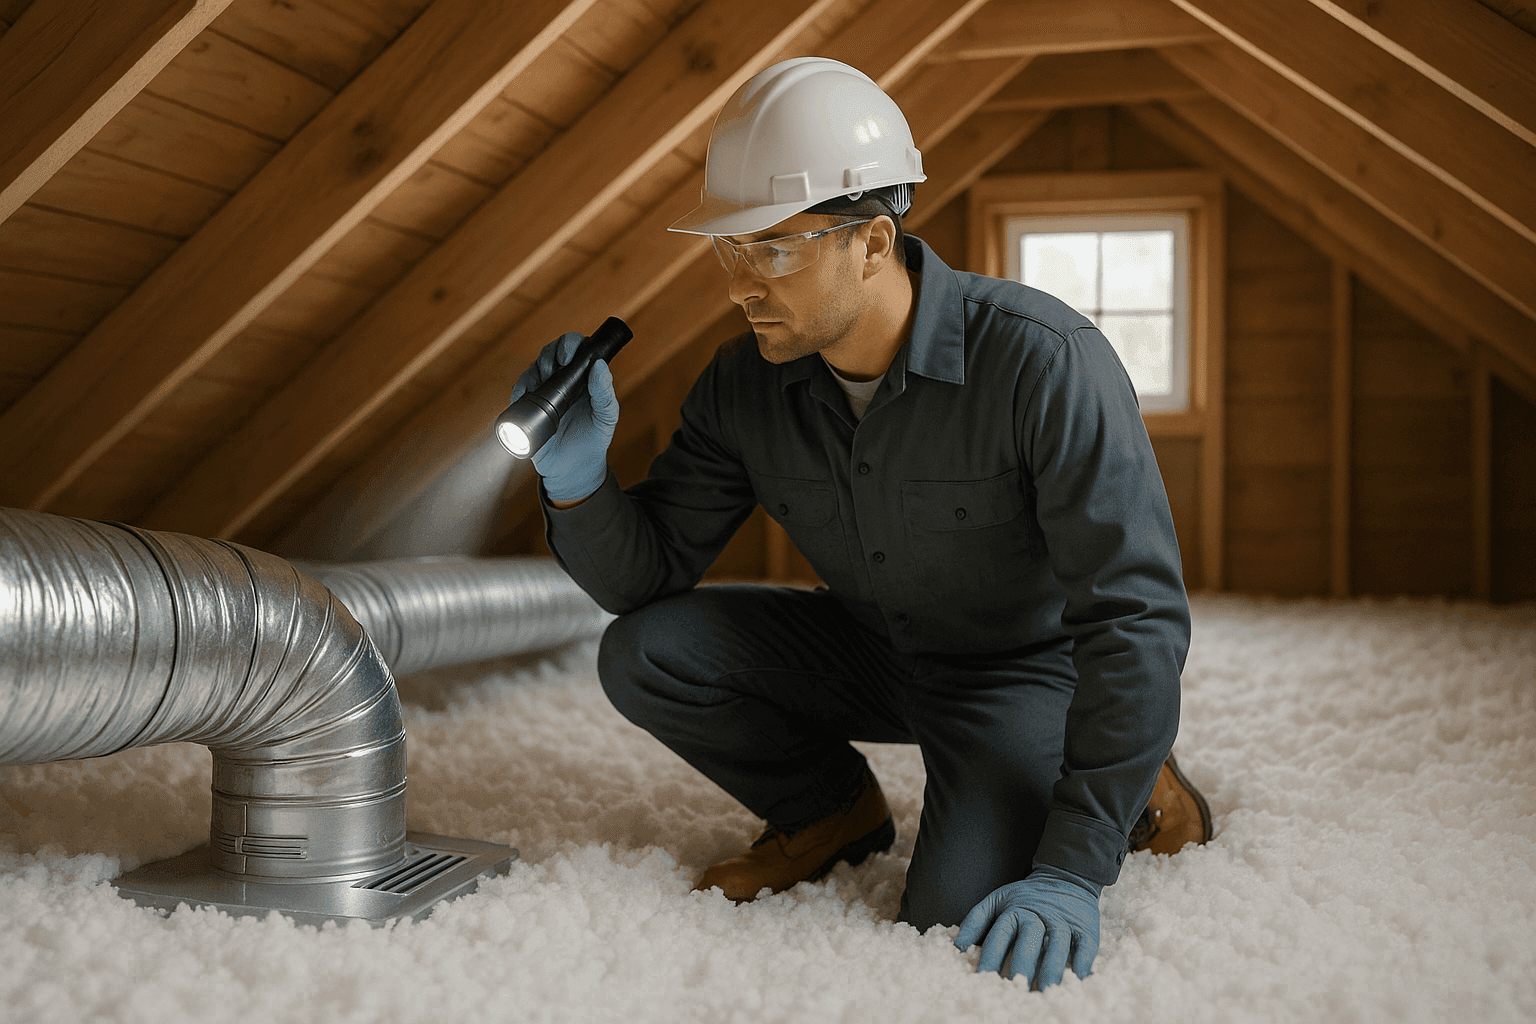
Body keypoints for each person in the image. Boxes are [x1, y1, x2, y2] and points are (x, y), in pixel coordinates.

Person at [511, 57, 1212, 989]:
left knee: (949, 926)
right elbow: (646, 579)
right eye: (729, 250)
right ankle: (830, 810)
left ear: (873, 242)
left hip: (1026, 670)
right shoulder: (743, 383)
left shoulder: (1045, 363)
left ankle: (1139, 789)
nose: (740, 284)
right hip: (876, 647)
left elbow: (1137, 618)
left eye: (772, 248)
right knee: (645, 649)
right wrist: (578, 483)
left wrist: (1071, 867)